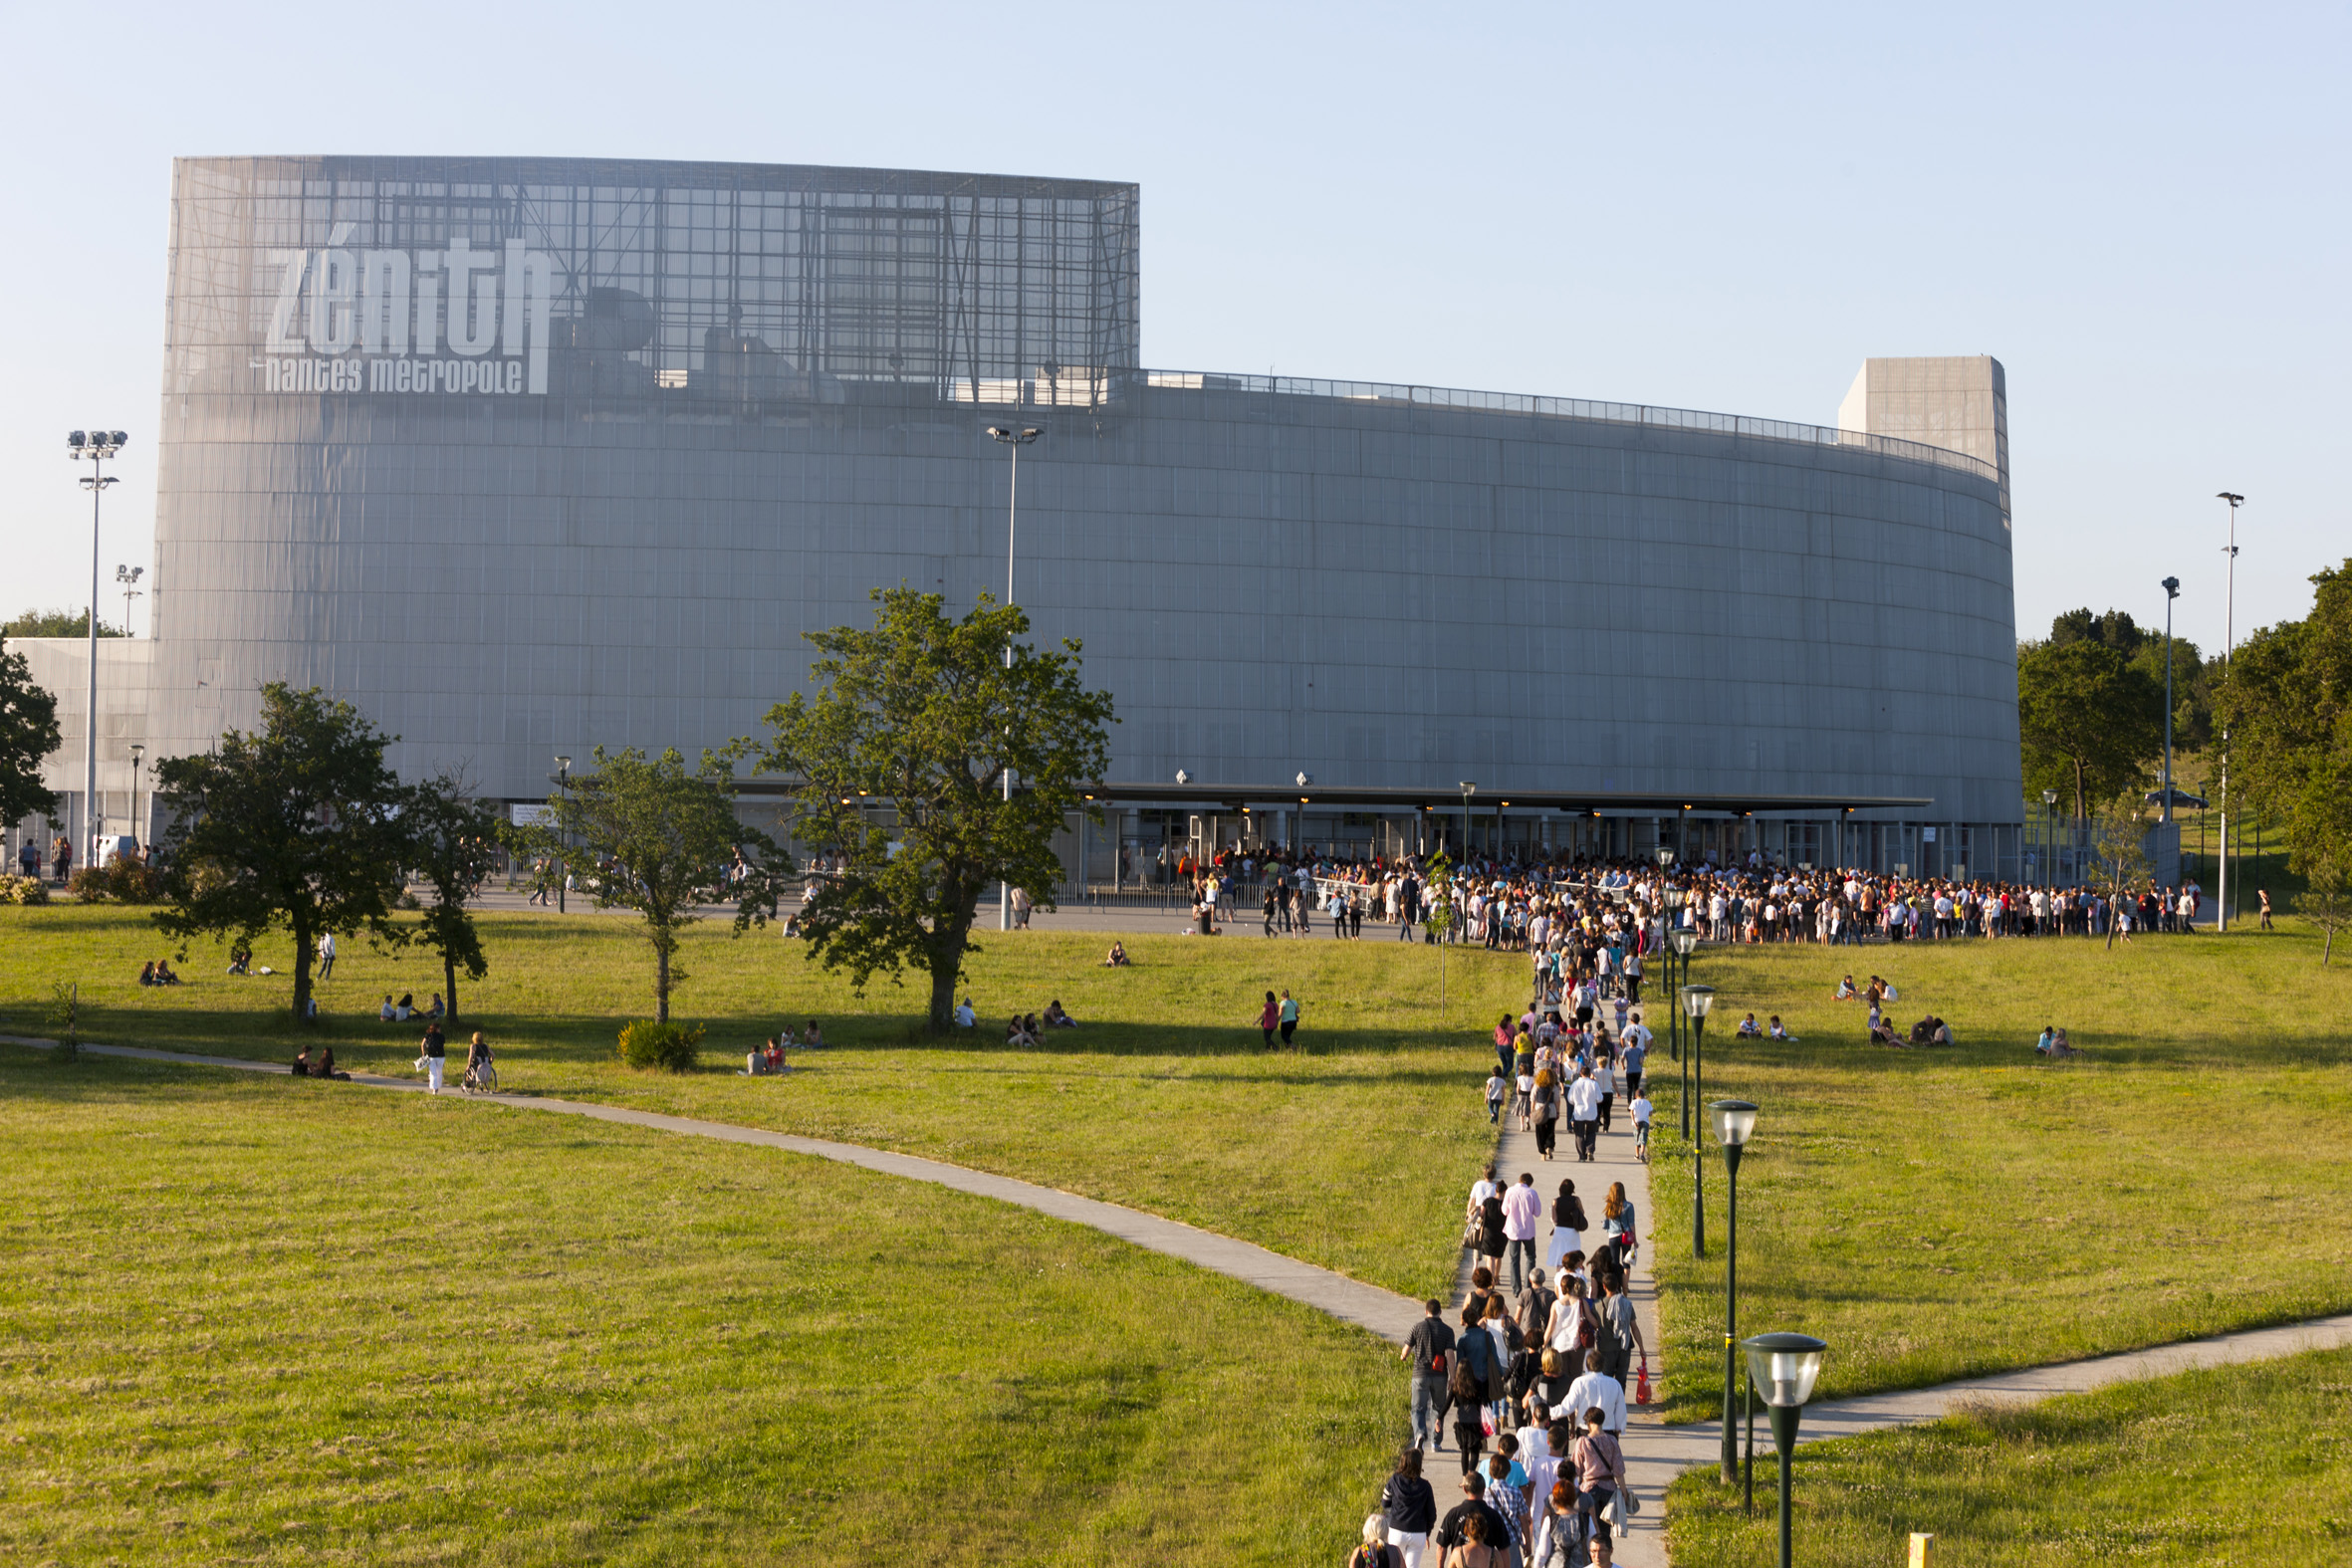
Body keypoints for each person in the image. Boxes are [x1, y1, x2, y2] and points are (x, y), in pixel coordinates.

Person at [1570, 1406, 1628, 1567]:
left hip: (1589, 1490)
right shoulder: (1612, 1441)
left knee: (1588, 1529)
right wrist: (1623, 1491)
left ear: (1589, 1422)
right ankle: (1604, 1559)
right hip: (1609, 1489)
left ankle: (1591, 1561)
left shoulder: (1583, 1442)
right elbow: (1619, 1469)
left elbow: (1576, 1469)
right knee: (1604, 1531)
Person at [1402, 1298, 1456, 1455]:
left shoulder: (1417, 1327)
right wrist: (1452, 1376)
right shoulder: (1447, 1330)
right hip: (1440, 1375)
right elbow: (1450, 1354)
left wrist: (1403, 1357)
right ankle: (1436, 1442)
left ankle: (1419, 1434)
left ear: (1426, 1312)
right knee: (1438, 1408)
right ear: (1440, 1312)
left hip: (1420, 1374)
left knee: (1418, 1408)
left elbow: (1405, 1351)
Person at [1431, 1472, 1513, 1567]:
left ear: (1465, 1489)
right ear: (1484, 1489)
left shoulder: (1453, 1514)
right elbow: (1504, 1550)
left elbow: (1441, 1547)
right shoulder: (1494, 1516)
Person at [1383, 1448, 1439, 1567]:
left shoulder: (1394, 1480)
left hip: (1396, 1531)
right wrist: (1427, 1532)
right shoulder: (1425, 1486)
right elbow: (1432, 1514)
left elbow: (1385, 1502)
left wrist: (1393, 1514)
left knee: (1395, 1564)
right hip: (1418, 1533)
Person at [1554, 1349, 1626, 1439]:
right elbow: (1621, 1409)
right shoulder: (1615, 1383)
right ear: (1603, 1365)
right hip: (1608, 1429)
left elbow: (1568, 1407)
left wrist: (1550, 1412)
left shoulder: (1579, 1382)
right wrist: (1620, 1428)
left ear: (1587, 1366)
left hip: (1585, 1429)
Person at [1594, 1269, 1643, 1389]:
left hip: (1606, 1348)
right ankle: (1620, 1404)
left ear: (1604, 1286)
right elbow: (1634, 1328)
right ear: (1617, 1286)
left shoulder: (1597, 1306)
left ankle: (1607, 1405)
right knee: (1621, 1380)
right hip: (1624, 1348)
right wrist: (1641, 1348)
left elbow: (1594, 1325)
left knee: (1606, 1381)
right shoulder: (1626, 1304)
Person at [1503, 1173, 1542, 1291]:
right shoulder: (1532, 1193)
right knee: (1530, 1257)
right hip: (1528, 1230)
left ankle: (1516, 1288)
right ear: (1529, 1183)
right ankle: (1529, 1286)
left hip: (1513, 1230)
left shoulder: (1510, 1191)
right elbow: (1537, 1212)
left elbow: (1505, 1211)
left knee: (1514, 1259)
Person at [1545, 1180, 1584, 1272]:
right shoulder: (1576, 1200)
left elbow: (1554, 1219)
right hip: (1573, 1232)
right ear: (1572, 1190)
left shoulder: (1556, 1201)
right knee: (1574, 1259)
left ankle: (1559, 1283)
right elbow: (1582, 1213)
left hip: (1560, 1232)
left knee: (1560, 1260)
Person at [1601, 1183, 1636, 1275]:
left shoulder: (1609, 1206)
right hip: (1626, 1236)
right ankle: (1625, 1287)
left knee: (1614, 1263)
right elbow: (1631, 1224)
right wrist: (1634, 1240)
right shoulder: (1629, 1206)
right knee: (1626, 1262)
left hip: (1613, 1236)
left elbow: (1606, 1224)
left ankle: (1615, 1286)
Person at [1530, 1071, 1559, 1160]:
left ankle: (1542, 1152)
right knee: (1550, 1130)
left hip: (1540, 1109)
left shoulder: (1537, 1086)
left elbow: (1533, 1098)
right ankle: (1549, 1146)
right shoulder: (1554, 1087)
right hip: (1551, 1110)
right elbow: (1557, 1100)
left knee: (1540, 1132)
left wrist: (1532, 1110)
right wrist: (1558, 1111)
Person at [418, 1019, 446, 1093]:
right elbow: (442, 1046)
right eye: (439, 1028)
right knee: (439, 1071)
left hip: (431, 1056)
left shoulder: (427, 1036)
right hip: (441, 1056)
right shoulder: (441, 1036)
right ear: (437, 1029)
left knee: (433, 1072)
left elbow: (423, 1044)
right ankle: (438, 1085)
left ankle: (434, 1088)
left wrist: (423, 1053)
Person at [1629, 1091, 1653, 1164]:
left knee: (1637, 1137)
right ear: (1644, 1095)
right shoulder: (1647, 1102)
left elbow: (1631, 1112)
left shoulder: (1634, 1102)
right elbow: (1650, 1113)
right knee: (1643, 1138)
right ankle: (1642, 1154)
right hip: (1645, 1122)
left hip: (1636, 1122)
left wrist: (1634, 1121)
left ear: (1636, 1096)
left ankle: (1637, 1154)